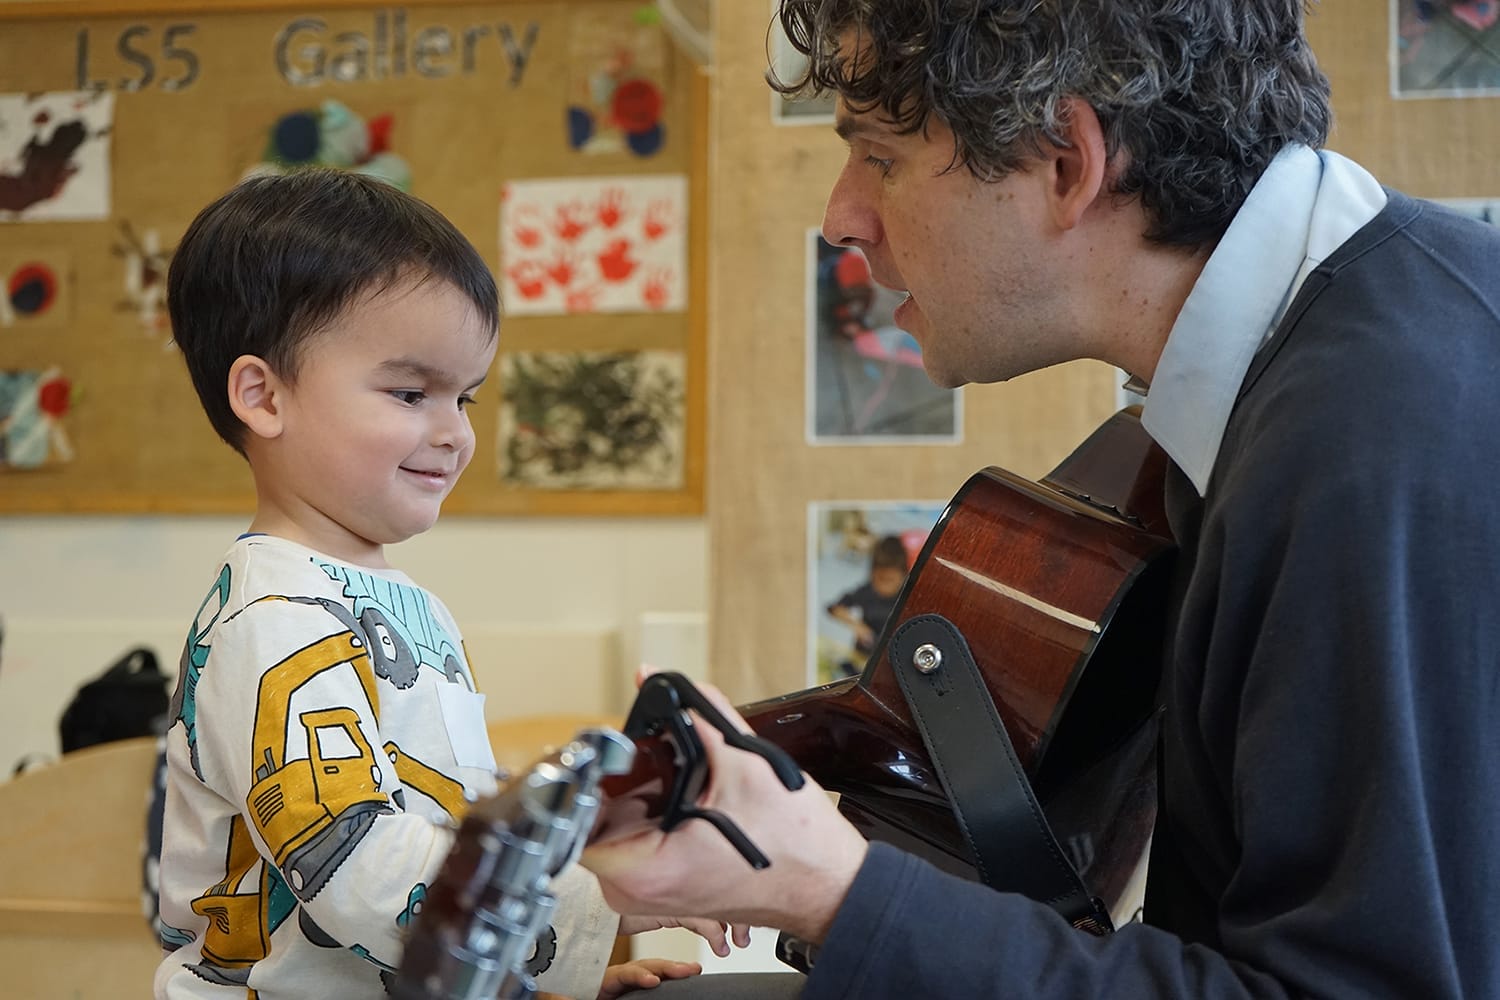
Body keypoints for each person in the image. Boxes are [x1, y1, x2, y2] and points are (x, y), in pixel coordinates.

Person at [584, 1, 1500, 997]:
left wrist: (835, 890)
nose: (840, 216)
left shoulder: (1365, 444)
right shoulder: (1370, 336)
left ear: (1066, 162)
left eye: (880, 158)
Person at [153, 169, 741, 999]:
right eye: (410, 392)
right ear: (263, 395)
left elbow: (440, 826)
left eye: (463, 396)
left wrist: (526, 982)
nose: (456, 433)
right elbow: (359, 870)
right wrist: (602, 898)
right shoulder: (272, 619)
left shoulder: (406, 605)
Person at [824, 534, 907, 677]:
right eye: (880, 578)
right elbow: (833, 608)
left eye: (891, 580)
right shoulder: (867, 592)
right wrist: (857, 626)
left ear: (905, 575)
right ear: (872, 572)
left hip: (897, 661)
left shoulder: (909, 595)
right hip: (865, 659)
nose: (884, 587)